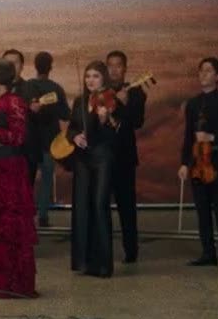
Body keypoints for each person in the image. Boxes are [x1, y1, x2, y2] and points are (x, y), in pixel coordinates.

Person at [0, 58, 38, 297]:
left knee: (7, 224)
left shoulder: (14, 102)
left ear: (0, 77)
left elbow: (19, 137)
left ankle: (11, 282)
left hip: (9, 168)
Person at [179, 56, 218, 270]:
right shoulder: (193, 104)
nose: (203, 74)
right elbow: (189, 136)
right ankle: (208, 253)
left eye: (208, 70)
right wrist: (184, 163)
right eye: (201, 70)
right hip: (197, 161)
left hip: (216, 160)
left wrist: (213, 137)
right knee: (202, 210)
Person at [68, 61, 117, 278]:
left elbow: (114, 135)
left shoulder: (109, 99)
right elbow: (71, 128)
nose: (90, 80)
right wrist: (74, 136)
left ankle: (104, 264)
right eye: (88, 76)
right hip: (82, 160)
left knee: (99, 207)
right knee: (81, 208)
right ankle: (84, 263)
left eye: (95, 76)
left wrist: (105, 120)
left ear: (104, 78)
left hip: (102, 158)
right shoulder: (79, 101)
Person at [105, 50, 147, 263]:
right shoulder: (99, 92)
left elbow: (137, 122)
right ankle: (103, 250)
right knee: (101, 207)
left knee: (126, 207)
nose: (114, 69)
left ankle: (131, 251)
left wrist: (123, 102)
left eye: (118, 65)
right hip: (101, 159)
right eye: (110, 65)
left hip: (124, 158)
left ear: (125, 68)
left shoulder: (136, 92)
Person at [27, 51, 70, 227]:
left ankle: (26, 217)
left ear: (35, 65)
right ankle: (43, 216)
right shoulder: (57, 89)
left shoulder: (27, 86)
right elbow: (65, 115)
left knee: (26, 181)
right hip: (50, 143)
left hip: (30, 142)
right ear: (50, 67)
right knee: (46, 181)